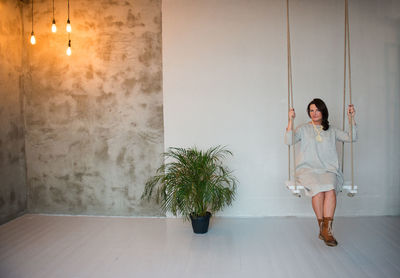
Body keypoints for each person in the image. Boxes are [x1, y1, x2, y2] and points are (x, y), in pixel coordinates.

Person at [285, 98, 357, 247]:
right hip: (308, 170)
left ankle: (326, 230)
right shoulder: (303, 129)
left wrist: (351, 118)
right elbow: (289, 141)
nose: (314, 113)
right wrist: (290, 120)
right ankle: (324, 230)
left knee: (330, 188)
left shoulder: (332, 131)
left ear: (323, 111)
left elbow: (352, 137)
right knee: (318, 190)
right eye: (311, 110)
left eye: (317, 110)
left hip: (328, 169)